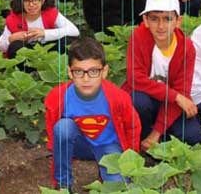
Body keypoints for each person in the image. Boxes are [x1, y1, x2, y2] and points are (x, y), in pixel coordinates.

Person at [44, 37, 140, 191]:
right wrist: (57, 150)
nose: (86, 79)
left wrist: (130, 159)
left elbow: (133, 127)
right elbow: (52, 129)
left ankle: (112, 176)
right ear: (70, 72)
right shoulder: (58, 97)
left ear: (105, 71)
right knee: (63, 128)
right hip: (79, 145)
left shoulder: (118, 97)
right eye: (79, 71)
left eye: (93, 71)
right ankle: (63, 184)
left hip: (108, 146)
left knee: (117, 187)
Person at [123, 0, 201, 148]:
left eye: (167, 19)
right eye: (154, 19)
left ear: (178, 21)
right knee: (138, 100)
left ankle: (155, 135)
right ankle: (142, 135)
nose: (160, 26)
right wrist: (176, 97)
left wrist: (157, 132)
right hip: (147, 98)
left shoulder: (186, 47)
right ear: (145, 20)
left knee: (193, 136)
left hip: (170, 104)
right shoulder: (138, 37)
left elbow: (182, 90)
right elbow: (136, 79)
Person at [0, 0, 80, 58]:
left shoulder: (50, 13)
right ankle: (28, 71)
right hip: (28, 55)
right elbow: (1, 47)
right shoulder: (13, 19)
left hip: (49, 51)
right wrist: (11, 39)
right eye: (26, 0)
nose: (31, 4)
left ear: (43, 0)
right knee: (15, 46)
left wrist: (44, 33)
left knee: (68, 42)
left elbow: (74, 31)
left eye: (35, 0)